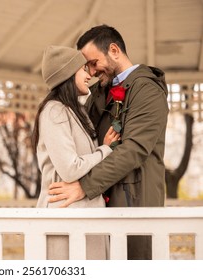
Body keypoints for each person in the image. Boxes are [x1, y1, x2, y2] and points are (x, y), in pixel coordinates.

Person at [47, 25, 169, 260]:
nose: (90, 72)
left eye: (93, 63)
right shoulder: (99, 93)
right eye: (86, 67)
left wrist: (84, 186)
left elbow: (134, 149)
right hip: (100, 205)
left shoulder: (147, 90)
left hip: (134, 201)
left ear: (114, 50)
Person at [32, 45, 120, 260]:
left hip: (85, 212)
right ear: (67, 75)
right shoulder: (54, 111)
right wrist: (105, 150)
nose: (89, 74)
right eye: (82, 69)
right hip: (66, 215)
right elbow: (70, 169)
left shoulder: (77, 111)